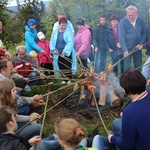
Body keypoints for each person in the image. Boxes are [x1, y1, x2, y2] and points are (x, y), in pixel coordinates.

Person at [108, 70, 150, 149]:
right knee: (117, 122)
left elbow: (127, 144)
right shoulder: (148, 91)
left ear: (125, 89)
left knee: (116, 123)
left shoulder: (129, 112)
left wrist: (112, 138)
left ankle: (111, 140)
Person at [119, 5, 147, 72]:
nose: (131, 17)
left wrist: (141, 43)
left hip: (137, 47)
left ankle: (137, 81)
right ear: (126, 14)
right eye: (129, 15)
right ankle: (126, 81)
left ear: (136, 13)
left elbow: (144, 33)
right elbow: (121, 37)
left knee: (138, 66)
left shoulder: (140, 20)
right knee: (127, 67)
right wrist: (125, 49)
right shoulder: (122, 22)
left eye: (132, 15)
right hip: (127, 48)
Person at [50, 17, 77, 84]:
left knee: (67, 65)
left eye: (65, 25)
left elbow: (70, 42)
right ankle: (64, 78)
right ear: (59, 24)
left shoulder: (68, 32)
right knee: (60, 65)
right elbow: (52, 41)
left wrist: (65, 51)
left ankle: (69, 78)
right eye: (62, 25)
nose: (63, 27)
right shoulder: (55, 32)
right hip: (58, 52)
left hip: (66, 52)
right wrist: (53, 49)